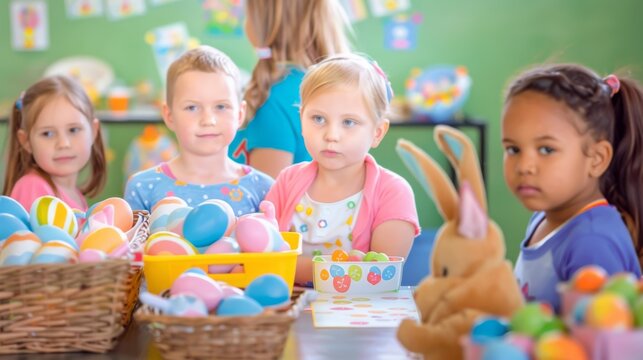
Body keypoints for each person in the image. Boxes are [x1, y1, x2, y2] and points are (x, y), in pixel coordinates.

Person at [266, 54, 420, 284]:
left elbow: (380, 275)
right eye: (318, 119)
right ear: (302, 120)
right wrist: (329, 268)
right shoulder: (287, 180)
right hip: (288, 310)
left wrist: (293, 267)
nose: (331, 135)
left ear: (377, 132)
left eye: (348, 122)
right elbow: (263, 258)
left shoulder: (393, 192)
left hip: (358, 313)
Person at [501, 64, 643, 311]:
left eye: (546, 149)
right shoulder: (544, 217)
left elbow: (598, 343)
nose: (524, 166)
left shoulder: (592, 242)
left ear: (597, 159)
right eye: (513, 149)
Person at [124, 46, 273, 215]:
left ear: (239, 114)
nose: (208, 120)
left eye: (221, 106)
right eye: (192, 107)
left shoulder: (263, 188)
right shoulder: (142, 187)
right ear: (169, 115)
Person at [229, 0, 352, 179]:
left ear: (263, 23)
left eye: (248, 14)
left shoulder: (272, 99)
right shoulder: (327, 87)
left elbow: (268, 197)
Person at [3, 75, 106, 212]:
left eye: (73, 130)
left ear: (93, 131)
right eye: (48, 134)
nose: (63, 143)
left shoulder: (74, 194)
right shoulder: (33, 188)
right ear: (26, 141)